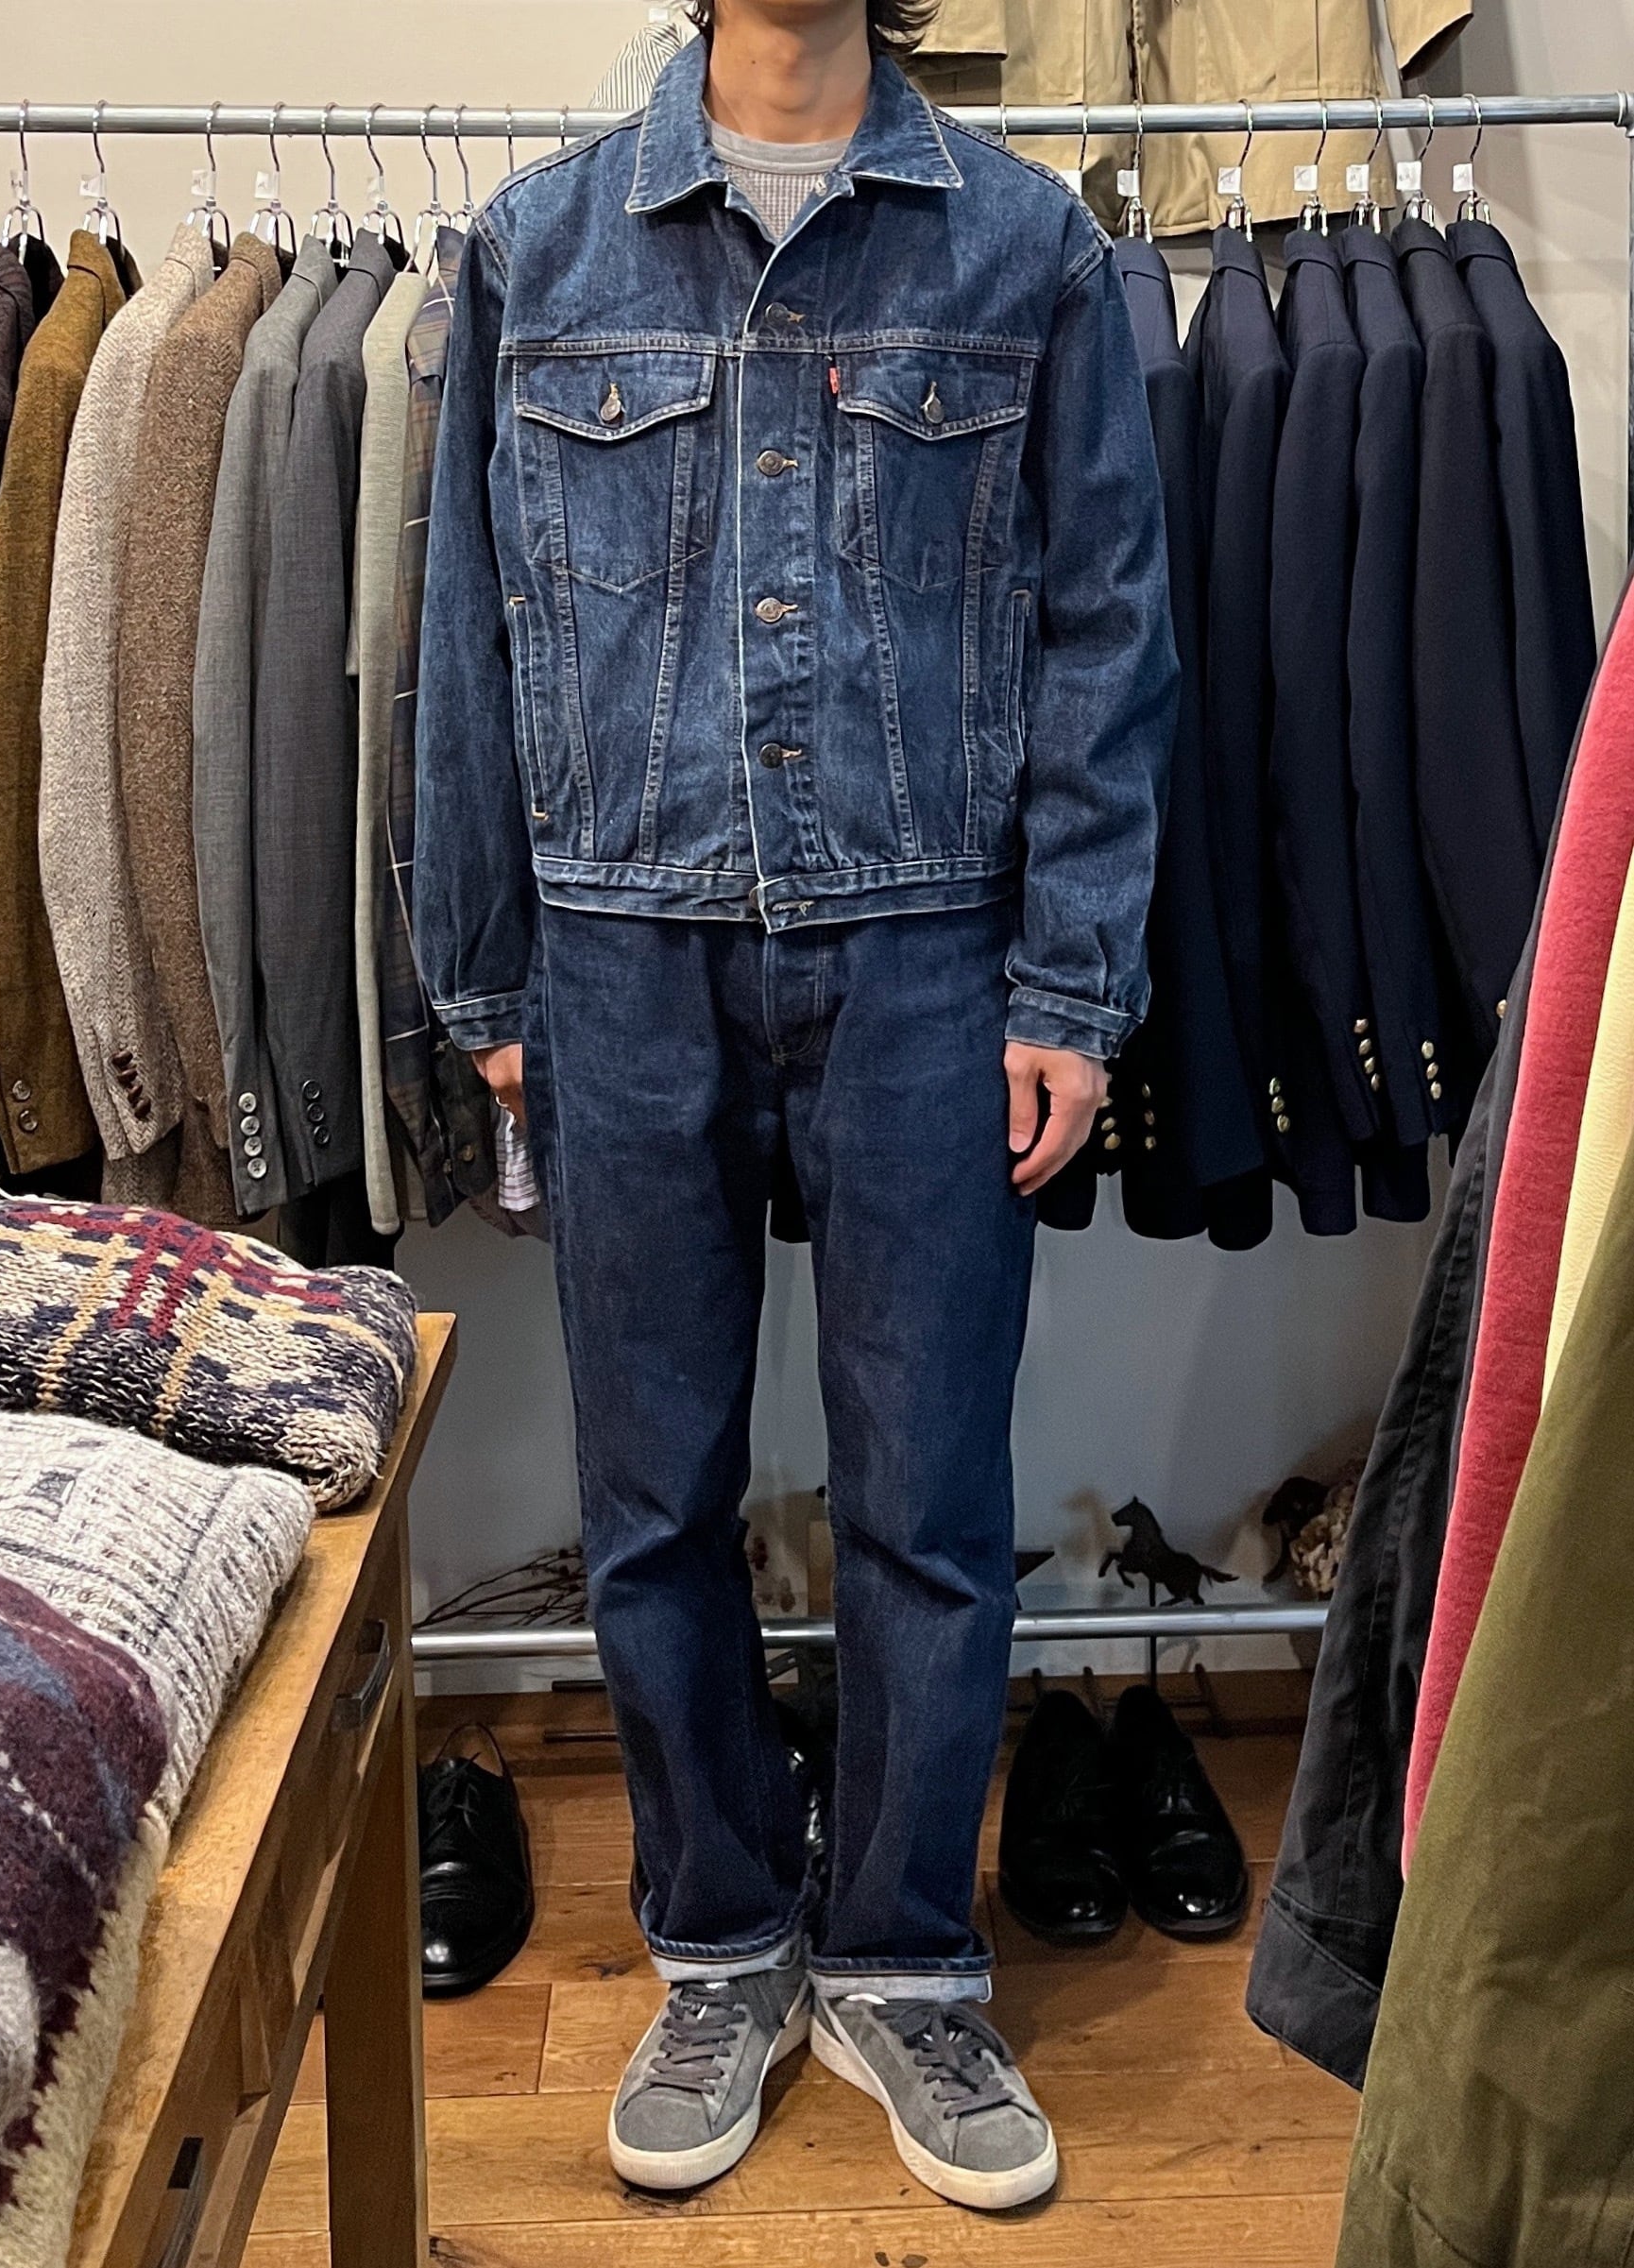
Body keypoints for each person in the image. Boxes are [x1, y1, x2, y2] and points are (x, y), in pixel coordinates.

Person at [416, 0, 1176, 2211]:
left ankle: (905, 1957)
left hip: (930, 949)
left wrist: (1071, 978)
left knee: (928, 1496)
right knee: (650, 1498)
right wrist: (487, 965)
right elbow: (465, 626)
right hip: (621, 948)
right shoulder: (540, 249)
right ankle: (720, 1935)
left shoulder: (1023, 248)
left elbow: (1106, 628)